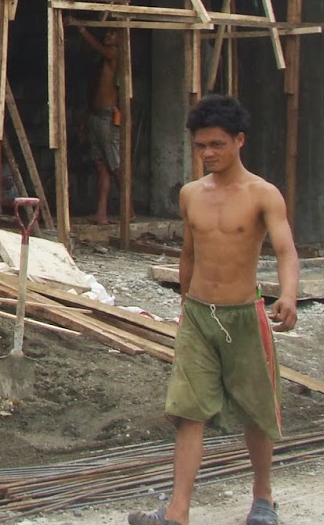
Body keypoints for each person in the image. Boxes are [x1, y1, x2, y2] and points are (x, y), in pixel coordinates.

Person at [128, 94, 299, 525]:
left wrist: (289, 295)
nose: (208, 153)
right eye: (202, 145)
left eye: (218, 144)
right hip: (199, 317)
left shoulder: (263, 194)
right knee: (188, 410)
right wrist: (185, 305)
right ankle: (177, 512)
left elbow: (285, 249)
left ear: (239, 141)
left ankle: (263, 500)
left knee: (257, 410)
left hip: (245, 316)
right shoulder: (191, 195)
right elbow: (188, 253)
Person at [77, 26, 124, 225]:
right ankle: (101, 213)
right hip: (96, 116)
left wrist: (81, 30)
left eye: (113, 33)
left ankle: (128, 209)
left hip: (107, 117)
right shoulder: (101, 63)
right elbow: (92, 94)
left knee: (114, 165)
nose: (108, 35)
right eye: (107, 32)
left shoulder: (114, 55)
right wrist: (84, 122)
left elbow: (99, 48)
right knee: (101, 166)